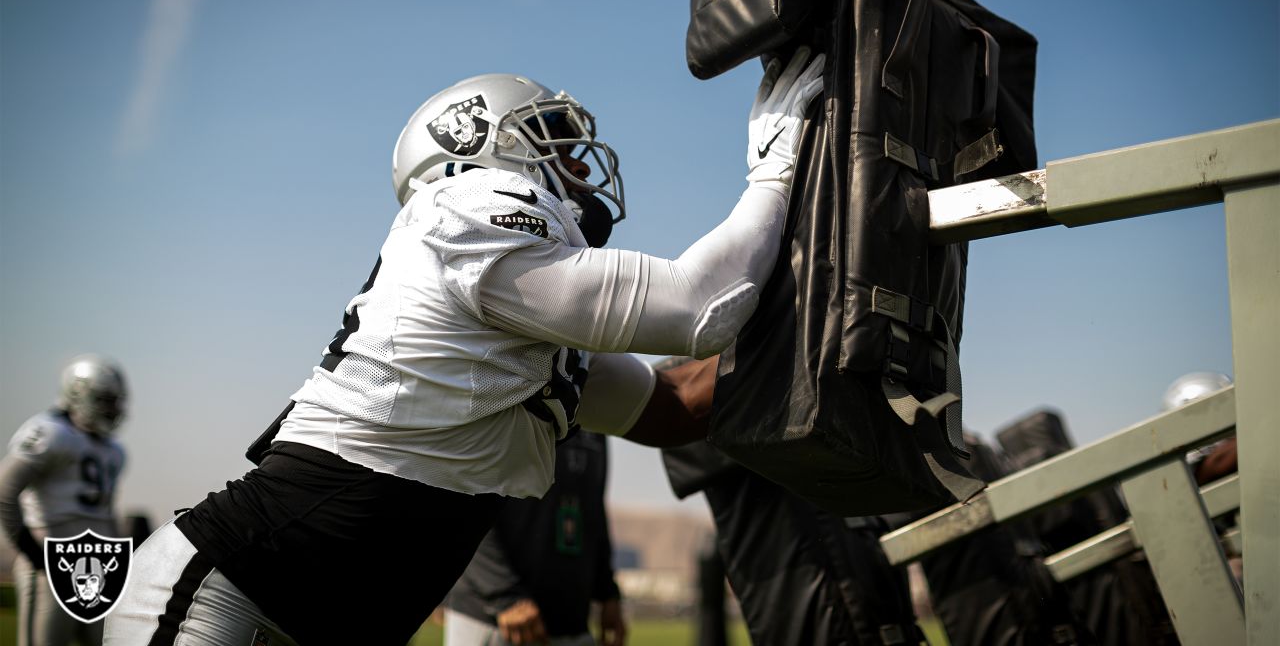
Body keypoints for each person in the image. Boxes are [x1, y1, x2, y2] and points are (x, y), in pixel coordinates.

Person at [105, 47, 825, 646]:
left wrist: (830, 319)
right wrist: (778, 166)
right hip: (232, 597)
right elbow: (699, 308)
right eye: (555, 140)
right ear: (476, 147)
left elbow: (677, 405)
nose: (577, 163)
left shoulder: (522, 330)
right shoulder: (461, 206)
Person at [443, 429, 625, 646]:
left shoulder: (595, 409)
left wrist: (606, 591)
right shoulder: (497, 395)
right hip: (497, 619)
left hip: (571, 621)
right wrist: (504, 596)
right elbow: (461, 500)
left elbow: (592, 504)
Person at [0, 354, 129, 646]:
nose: (113, 409)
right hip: (51, 558)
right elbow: (3, 489)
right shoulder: (50, 432)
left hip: (100, 561)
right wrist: (28, 548)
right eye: (105, 400)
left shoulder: (113, 450)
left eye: (115, 401)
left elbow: (104, 512)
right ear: (77, 393)